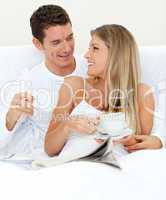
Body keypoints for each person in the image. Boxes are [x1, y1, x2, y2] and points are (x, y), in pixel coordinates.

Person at [45, 24, 164, 157]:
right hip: (75, 165)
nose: (86, 55)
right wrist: (66, 126)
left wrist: (135, 140)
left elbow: (140, 148)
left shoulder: (142, 94)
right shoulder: (74, 86)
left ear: (116, 54)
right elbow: (49, 148)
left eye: (95, 48)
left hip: (116, 168)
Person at [0, 4, 87, 159]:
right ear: (38, 44)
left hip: (90, 152)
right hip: (52, 158)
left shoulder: (91, 68)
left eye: (70, 38)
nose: (67, 48)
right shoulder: (28, 83)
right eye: (56, 42)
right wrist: (11, 117)